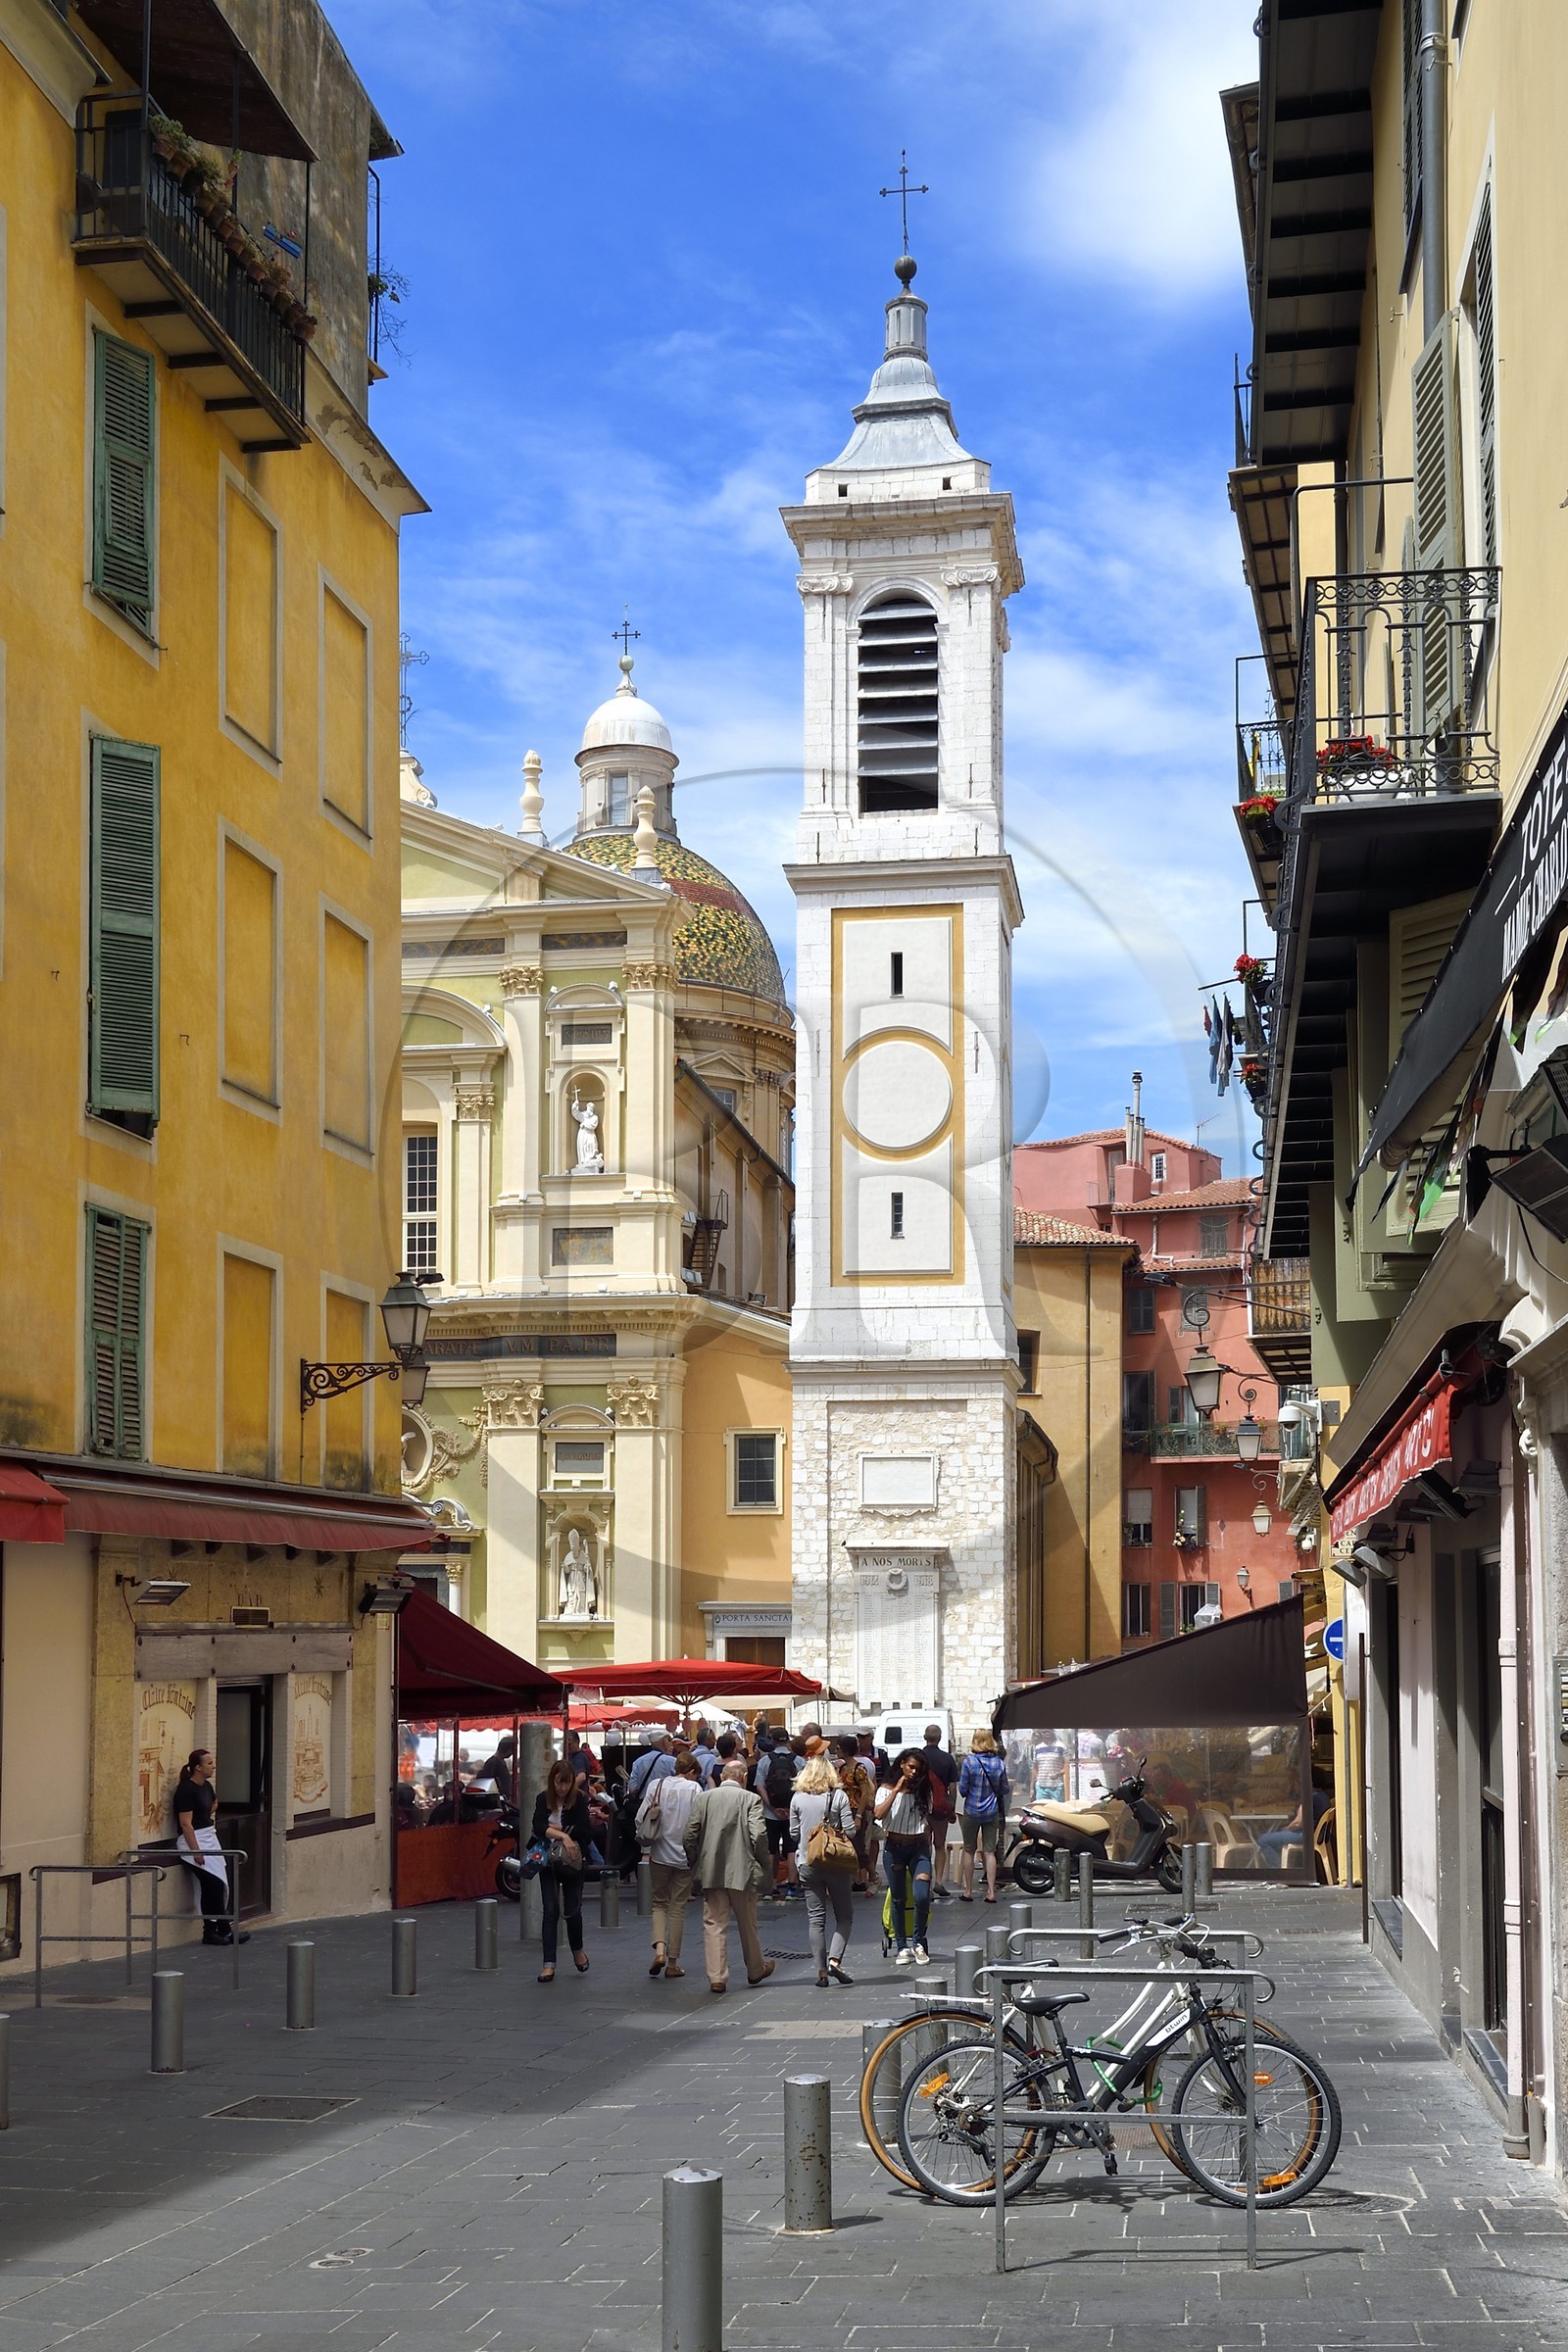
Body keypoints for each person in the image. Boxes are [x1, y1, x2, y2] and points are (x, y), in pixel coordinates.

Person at [683, 1757, 774, 1994]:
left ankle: (717, 1977)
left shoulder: (704, 1798)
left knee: (714, 1923)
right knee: (747, 1923)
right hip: (743, 1871)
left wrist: (695, 1860)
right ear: (744, 1778)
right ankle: (755, 1969)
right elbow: (759, 1836)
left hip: (711, 1870)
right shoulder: (750, 1800)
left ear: (722, 1777)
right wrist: (765, 1863)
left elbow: (689, 1834)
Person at [790, 1753, 858, 1985]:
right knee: (845, 1915)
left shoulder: (797, 1798)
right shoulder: (838, 1796)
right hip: (836, 1862)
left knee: (816, 1919)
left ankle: (821, 1973)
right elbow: (850, 1831)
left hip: (808, 1862)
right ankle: (835, 1960)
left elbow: (793, 1833)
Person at [172, 1749, 248, 1945]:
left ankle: (220, 1929)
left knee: (217, 1883)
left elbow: (213, 1804)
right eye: (209, 1763)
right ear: (197, 1767)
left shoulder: (206, 1786)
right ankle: (213, 1931)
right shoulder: (186, 1790)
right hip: (192, 1841)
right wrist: (195, 1851)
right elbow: (186, 1823)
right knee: (212, 1884)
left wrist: (207, 1811)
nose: (213, 1766)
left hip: (209, 1837)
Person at [641, 1748, 703, 1977]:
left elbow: (641, 1818)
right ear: (692, 1771)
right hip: (685, 1856)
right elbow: (699, 1821)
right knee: (678, 1907)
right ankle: (673, 1963)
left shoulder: (656, 1785)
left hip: (659, 1853)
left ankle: (659, 1950)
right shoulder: (695, 1789)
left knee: (659, 1903)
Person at [531, 1757, 592, 1982]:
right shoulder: (542, 1799)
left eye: (566, 1783)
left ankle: (578, 1951)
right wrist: (564, 1834)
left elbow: (585, 1829)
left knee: (573, 1909)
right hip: (548, 1860)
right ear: (552, 1781)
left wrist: (554, 1829)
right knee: (550, 1909)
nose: (563, 1788)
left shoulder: (579, 1800)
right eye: (559, 1783)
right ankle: (549, 1964)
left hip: (573, 1860)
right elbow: (537, 1826)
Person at [875, 1747, 933, 1965]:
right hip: (894, 1848)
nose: (914, 1773)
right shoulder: (886, 1788)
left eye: (918, 1769)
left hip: (919, 1848)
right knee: (898, 1899)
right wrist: (896, 1790)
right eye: (910, 1767)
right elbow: (879, 1814)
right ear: (901, 1764)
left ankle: (918, 1941)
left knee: (921, 1896)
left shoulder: (924, 1790)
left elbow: (927, 1819)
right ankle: (901, 1946)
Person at [956, 1731, 1010, 1903]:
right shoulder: (998, 1763)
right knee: (989, 1851)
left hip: (972, 1811)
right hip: (991, 1811)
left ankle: (969, 1891)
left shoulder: (969, 1762)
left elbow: (963, 1790)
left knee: (969, 1849)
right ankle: (991, 1892)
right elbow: (1004, 1789)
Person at [755, 1733, 802, 1898]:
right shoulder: (799, 1760)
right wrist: (790, 1807)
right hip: (792, 1813)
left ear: (773, 1741)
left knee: (771, 1849)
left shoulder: (765, 1761)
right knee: (791, 1849)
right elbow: (802, 1787)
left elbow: (760, 1787)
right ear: (788, 1741)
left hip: (770, 1813)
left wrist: (773, 1808)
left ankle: (770, 1886)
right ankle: (791, 1887)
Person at [833, 1734, 877, 1892]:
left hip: (854, 1810)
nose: (836, 1750)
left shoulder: (859, 1769)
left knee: (858, 1847)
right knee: (845, 1846)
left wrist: (859, 1816)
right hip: (842, 1810)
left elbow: (865, 1793)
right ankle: (854, 1878)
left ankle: (873, 1876)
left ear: (845, 1750)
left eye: (838, 1748)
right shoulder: (841, 1768)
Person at [1258, 1778, 1333, 1870]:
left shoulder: (1309, 1798)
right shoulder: (1324, 1796)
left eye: (1300, 1782)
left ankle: (1277, 1870)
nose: (1299, 1785)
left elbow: (1298, 1823)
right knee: (1275, 1837)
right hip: (1318, 1835)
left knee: (1263, 1839)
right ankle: (1287, 1866)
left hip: (1304, 1835)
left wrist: (1286, 1828)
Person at [922, 1724, 958, 1899]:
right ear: (940, 1738)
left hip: (921, 1808)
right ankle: (939, 1882)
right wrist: (951, 1807)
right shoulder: (947, 1759)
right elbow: (952, 1786)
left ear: (924, 1737)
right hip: (940, 1808)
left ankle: (925, 1884)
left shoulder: (918, 1757)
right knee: (940, 1844)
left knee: (924, 1845)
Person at [478, 1733, 516, 1799]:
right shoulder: (492, 1763)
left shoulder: (501, 1762)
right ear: (507, 1749)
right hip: (497, 1800)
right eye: (512, 1751)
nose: (512, 1753)